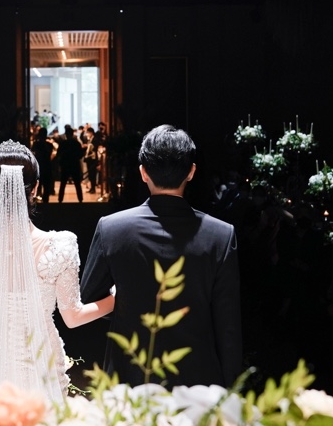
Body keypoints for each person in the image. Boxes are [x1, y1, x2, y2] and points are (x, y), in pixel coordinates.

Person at [79, 125, 244, 387]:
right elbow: (228, 325)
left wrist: (129, 299)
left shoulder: (111, 228)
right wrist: (232, 388)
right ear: (191, 172)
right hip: (198, 380)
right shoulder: (221, 235)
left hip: (129, 376)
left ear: (143, 172)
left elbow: (89, 298)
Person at [0, 141, 114, 404]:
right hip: (43, 359)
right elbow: (73, 317)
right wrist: (117, 298)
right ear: (36, 188)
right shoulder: (61, 245)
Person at [55, 126, 85, 202]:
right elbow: (81, 154)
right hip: (75, 164)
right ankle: (80, 199)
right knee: (77, 184)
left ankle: (60, 200)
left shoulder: (63, 143)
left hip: (65, 165)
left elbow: (58, 154)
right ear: (72, 134)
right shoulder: (76, 143)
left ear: (66, 134)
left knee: (63, 184)